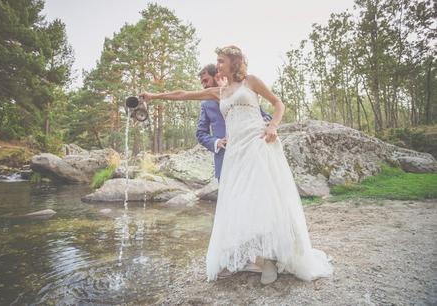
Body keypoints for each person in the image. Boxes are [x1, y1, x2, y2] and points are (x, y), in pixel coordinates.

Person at [141, 45, 333, 285]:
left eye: (221, 60)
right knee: (239, 202)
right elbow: (182, 94)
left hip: (257, 144)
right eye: (217, 61)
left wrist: (273, 126)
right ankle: (249, 257)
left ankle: (271, 259)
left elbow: (278, 104)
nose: (218, 65)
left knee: (263, 200)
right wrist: (154, 96)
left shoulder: (250, 82)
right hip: (235, 153)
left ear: (234, 62)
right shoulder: (218, 93)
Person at [196, 64, 271, 180]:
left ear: (217, 76)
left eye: (206, 81)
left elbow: (265, 117)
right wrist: (216, 142)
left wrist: (262, 125)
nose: (204, 85)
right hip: (225, 159)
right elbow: (200, 133)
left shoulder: (241, 94)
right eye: (202, 83)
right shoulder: (205, 104)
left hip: (250, 154)